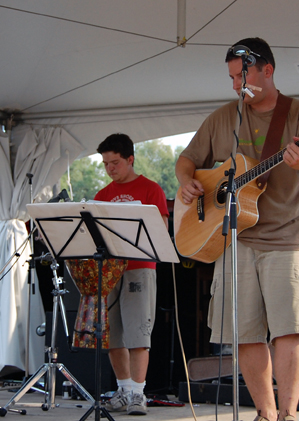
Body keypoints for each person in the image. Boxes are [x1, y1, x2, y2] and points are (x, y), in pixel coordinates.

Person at [175, 38, 299, 421]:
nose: (234, 86)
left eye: (239, 76)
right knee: (243, 333)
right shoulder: (225, 116)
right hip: (235, 238)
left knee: (290, 330)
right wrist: (186, 182)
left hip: (288, 238)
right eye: (230, 77)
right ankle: (265, 413)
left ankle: (289, 415)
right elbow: (188, 160)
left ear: (267, 71)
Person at [94, 133, 169, 416]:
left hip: (139, 268)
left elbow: (160, 228)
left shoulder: (151, 189)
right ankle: (124, 390)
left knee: (138, 334)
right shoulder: (102, 195)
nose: (110, 169)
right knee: (112, 335)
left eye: (115, 162)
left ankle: (138, 394)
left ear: (130, 159)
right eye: (105, 164)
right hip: (111, 270)